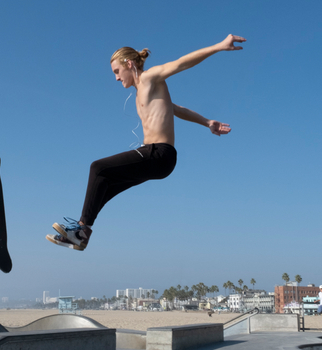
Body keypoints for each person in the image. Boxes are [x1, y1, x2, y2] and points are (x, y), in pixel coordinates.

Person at [47, 34, 245, 250]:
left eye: (116, 72)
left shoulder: (150, 78)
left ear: (128, 64)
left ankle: (81, 230)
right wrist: (207, 122)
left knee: (97, 167)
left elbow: (181, 63)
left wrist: (219, 46)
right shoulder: (140, 93)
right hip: (156, 159)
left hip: (159, 154)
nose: (115, 78)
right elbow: (177, 109)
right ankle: (81, 233)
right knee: (104, 185)